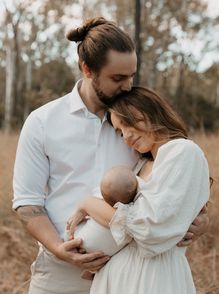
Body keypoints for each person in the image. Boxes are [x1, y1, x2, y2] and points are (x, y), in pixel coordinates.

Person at [12, 17, 209, 294]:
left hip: (126, 272)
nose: (128, 86)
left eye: (131, 76)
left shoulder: (140, 126)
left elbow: (171, 185)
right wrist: (61, 250)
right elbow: (27, 203)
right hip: (59, 270)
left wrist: (198, 220)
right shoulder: (43, 122)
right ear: (87, 70)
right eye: (118, 78)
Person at [67, 86, 211, 294]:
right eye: (119, 131)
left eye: (127, 122)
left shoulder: (183, 151)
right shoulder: (139, 165)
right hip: (113, 280)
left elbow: (150, 228)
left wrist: (88, 204)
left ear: (149, 110)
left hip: (153, 280)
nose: (125, 136)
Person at [65, 165, 138, 280]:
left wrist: (87, 204)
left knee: (74, 225)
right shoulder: (133, 207)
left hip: (81, 241)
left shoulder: (100, 202)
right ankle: (91, 272)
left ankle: (90, 270)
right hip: (107, 252)